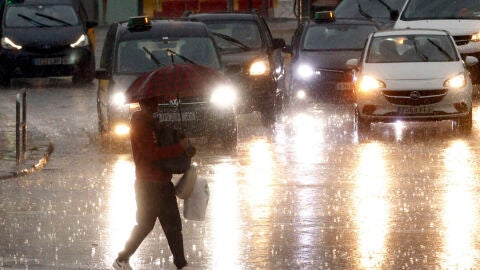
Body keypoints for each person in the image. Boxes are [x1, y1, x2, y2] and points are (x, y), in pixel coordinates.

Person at [112, 97, 194, 270]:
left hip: (163, 182)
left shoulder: (154, 123)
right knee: (146, 224)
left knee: (172, 225)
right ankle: (122, 258)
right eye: (152, 104)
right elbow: (152, 153)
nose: (155, 106)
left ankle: (181, 264)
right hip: (148, 185)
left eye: (156, 103)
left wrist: (181, 142)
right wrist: (179, 147)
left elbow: (163, 146)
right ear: (144, 104)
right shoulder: (140, 124)